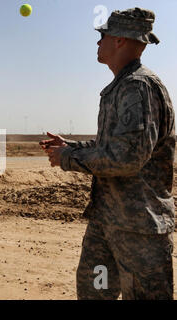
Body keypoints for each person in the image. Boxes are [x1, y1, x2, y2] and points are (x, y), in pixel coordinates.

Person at [40, 8, 174, 300]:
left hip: (138, 229)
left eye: (103, 36)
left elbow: (127, 158)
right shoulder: (122, 87)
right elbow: (110, 145)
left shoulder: (138, 87)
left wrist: (67, 158)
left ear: (121, 40)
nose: (98, 43)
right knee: (95, 293)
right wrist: (71, 147)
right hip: (107, 223)